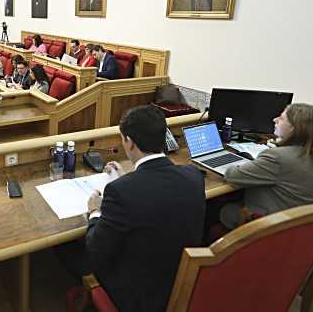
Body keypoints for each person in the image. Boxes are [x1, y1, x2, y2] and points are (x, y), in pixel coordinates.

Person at [61, 105, 205, 312]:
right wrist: (124, 180)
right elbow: (154, 196)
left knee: (67, 249)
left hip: (138, 296)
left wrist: (95, 212)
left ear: (128, 141)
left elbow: (96, 250)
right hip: (182, 280)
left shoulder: (120, 192)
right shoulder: (193, 175)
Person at [220, 103, 313, 228]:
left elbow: (232, 176)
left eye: (281, 118)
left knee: (225, 210)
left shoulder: (277, 157)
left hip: (271, 227)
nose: (274, 120)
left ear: (293, 128)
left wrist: (248, 164)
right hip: (308, 229)